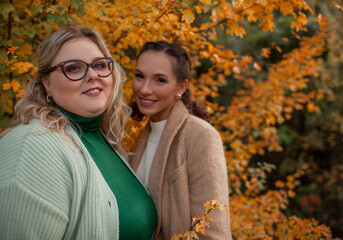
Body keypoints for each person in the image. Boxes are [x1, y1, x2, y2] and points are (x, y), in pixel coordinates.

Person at [0, 26, 157, 240]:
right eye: (73, 68)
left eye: (100, 65)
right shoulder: (30, 147)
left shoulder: (103, 139)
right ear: (46, 83)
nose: (93, 75)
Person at [130, 41, 232, 240]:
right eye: (139, 76)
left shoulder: (201, 136)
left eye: (159, 80)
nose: (144, 89)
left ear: (181, 86)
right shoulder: (140, 135)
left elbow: (213, 232)